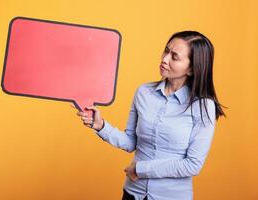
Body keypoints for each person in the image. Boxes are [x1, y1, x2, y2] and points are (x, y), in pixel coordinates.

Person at [73, 30, 226, 200]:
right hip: (133, 193)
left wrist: (140, 169)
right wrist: (101, 126)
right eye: (166, 50)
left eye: (174, 57)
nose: (164, 59)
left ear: (191, 69)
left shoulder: (203, 106)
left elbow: (192, 165)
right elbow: (131, 142)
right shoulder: (144, 92)